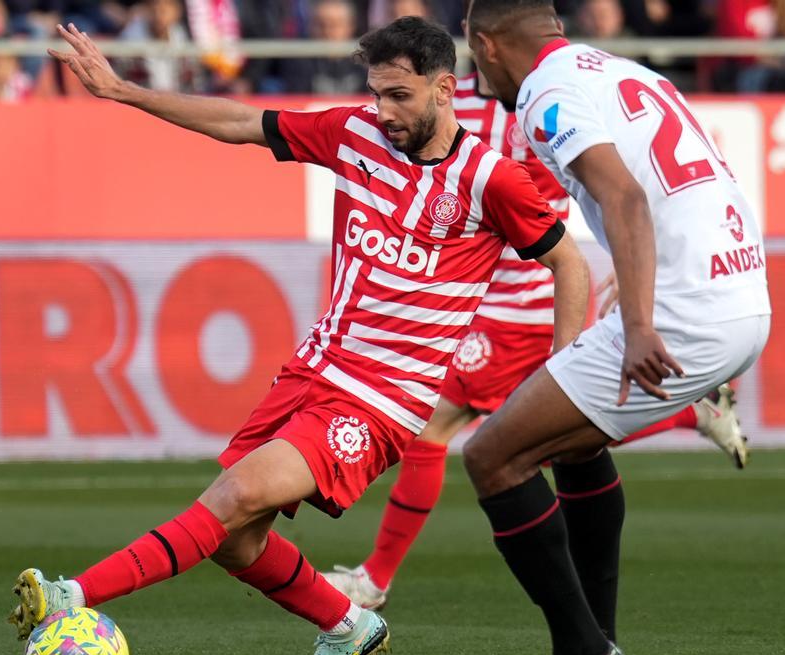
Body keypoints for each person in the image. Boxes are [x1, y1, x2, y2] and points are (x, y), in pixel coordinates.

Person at [14, 15, 590, 655]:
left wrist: (560, 381)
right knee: (234, 540)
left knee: (228, 499)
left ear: (445, 89)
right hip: (311, 371)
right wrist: (123, 91)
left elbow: (568, 264)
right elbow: (239, 122)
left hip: (380, 401)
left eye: (399, 95)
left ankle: (70, 595)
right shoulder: (354, 134)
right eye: (376, 92)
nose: (384, 110)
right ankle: (350, 626)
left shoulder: (491, 181)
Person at [322, 63, 753, 611]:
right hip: (492, 301)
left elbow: (627, 183)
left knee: (438, 430)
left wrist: (639, 259)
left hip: (523, 305)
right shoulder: (499, 106)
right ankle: (693, 414)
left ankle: (374, 580)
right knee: (547, 440)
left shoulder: (538, 108)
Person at [463, 1, 771, 655]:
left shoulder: (546, 90)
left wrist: (638, 321)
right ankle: (594, 645)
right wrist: (646, 283)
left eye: (472, 55)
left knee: (492, 456)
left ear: (486, 45)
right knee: (574, 445)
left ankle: (584, 654)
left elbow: (625, 197)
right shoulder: (620, 70)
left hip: (686, 308)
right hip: (743, 292)